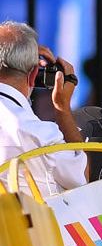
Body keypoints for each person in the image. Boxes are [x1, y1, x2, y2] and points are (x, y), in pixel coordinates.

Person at [0, 20, 86, 194]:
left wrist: (23, 53)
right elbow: (85, 180)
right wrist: (62, 109)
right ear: (33, 75)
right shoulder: (39, 135)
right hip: (34, 220)